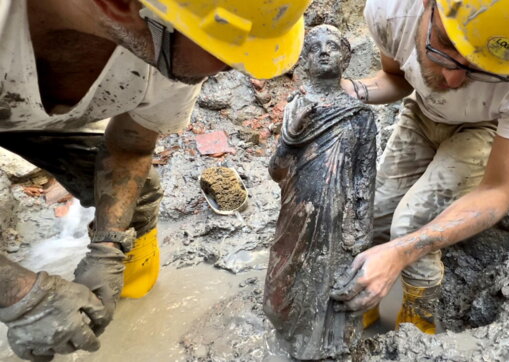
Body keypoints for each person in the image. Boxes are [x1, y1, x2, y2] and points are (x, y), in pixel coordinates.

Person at [0, 0, 310, 360]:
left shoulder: (167, 47)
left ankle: (130, 294)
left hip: (44, 116)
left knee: (135, 198)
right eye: (226, 49)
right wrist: (23, 295)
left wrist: (109, 247)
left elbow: (130, 147)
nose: (236, 68)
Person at [330, 0, 509, 334]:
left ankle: (417, 326)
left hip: (487, 126)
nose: (451, 77)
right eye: (446, 46)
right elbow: (395, 77)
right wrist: (348, 92)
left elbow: (498, 190)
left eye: (483, 68)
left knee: (411, 225)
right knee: (373, 213)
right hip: (423, 112)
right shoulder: (392, 8)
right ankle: (363, 315)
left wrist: (403, 251)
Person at [263, 25, 376, 360]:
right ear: (305, 60)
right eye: (315, 47)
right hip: (296, 214)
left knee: (333, 279)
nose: (324, 51)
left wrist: (361, 228)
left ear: (347, 57)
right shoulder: (294, 109)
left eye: (333, 45)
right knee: (289, 273)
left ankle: (330, 345)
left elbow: (364, 178)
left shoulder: (360, 115)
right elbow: (275, 171)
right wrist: (290, 137)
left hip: (338, 218)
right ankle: (288, 335)